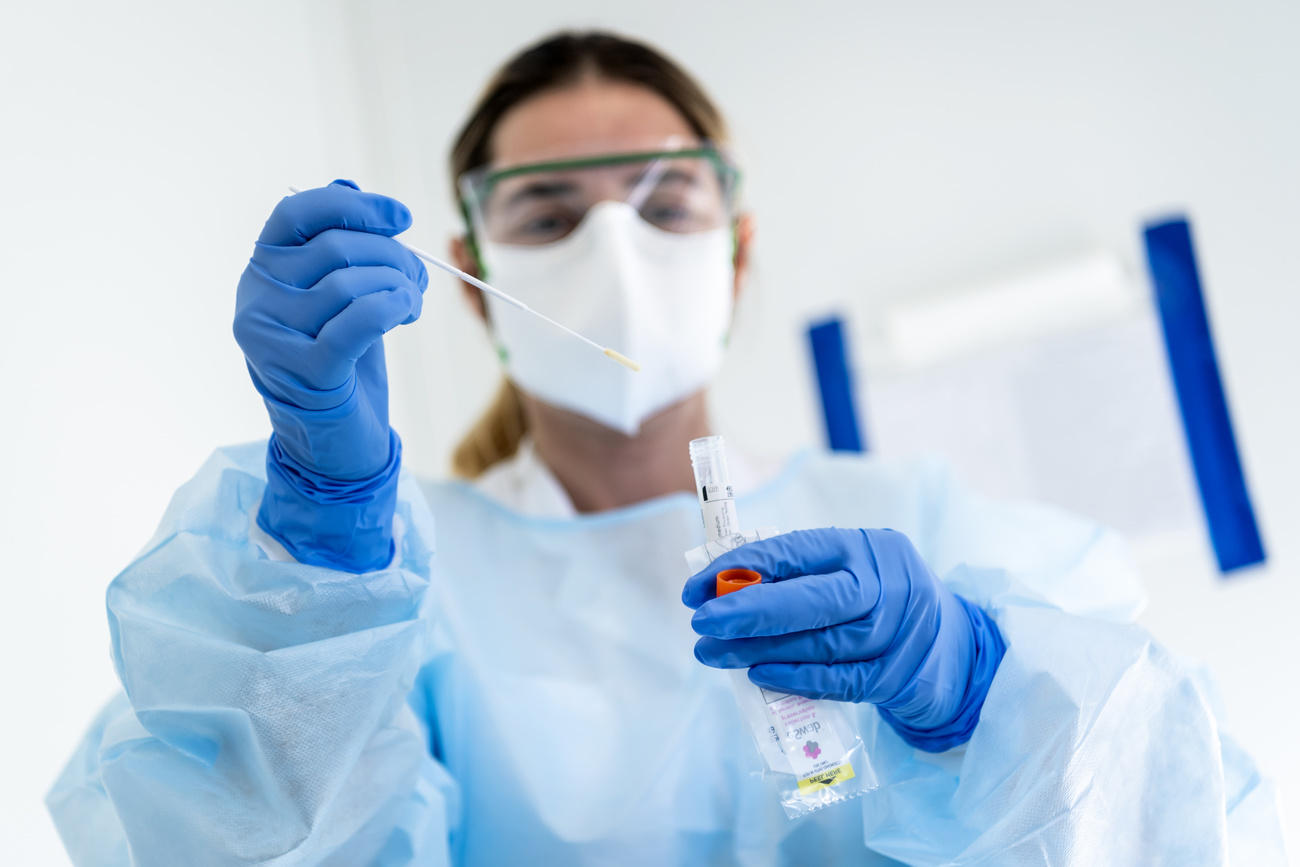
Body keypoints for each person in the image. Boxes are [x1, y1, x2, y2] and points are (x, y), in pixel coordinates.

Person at [48, 31, 1286, 866]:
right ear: (473, 287)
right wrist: (319, 529)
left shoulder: (924, 523)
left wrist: (971, 687)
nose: (614, 250)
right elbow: (240, 842)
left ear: (733, 254)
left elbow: (1173, 821)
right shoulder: (382, 584)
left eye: (664, 200)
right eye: (547, 211)